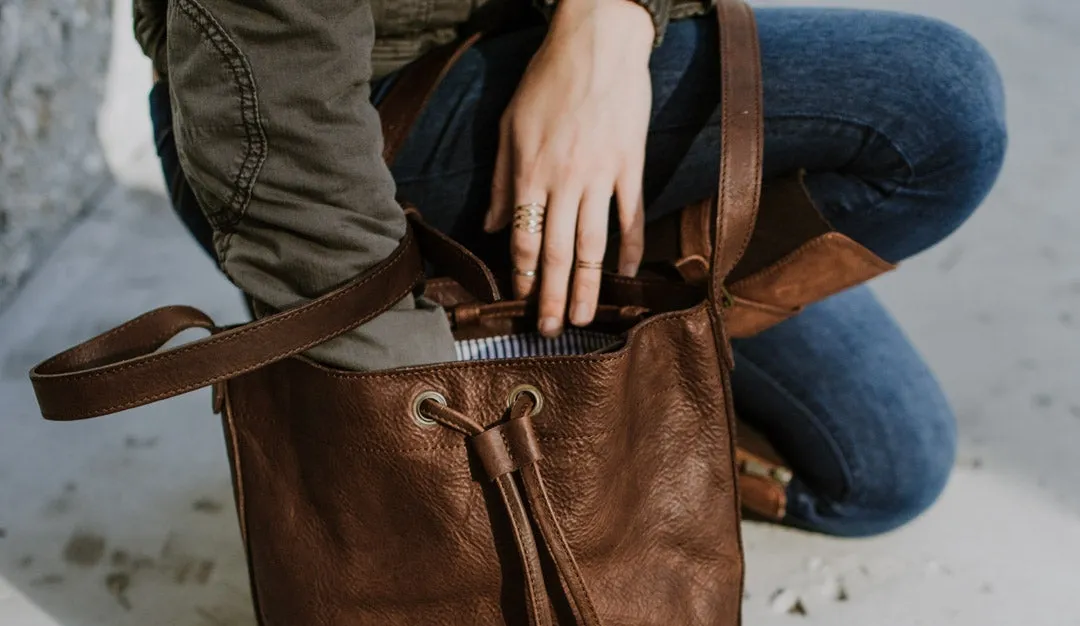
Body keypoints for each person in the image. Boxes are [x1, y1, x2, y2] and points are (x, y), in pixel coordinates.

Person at [137, 0, 1007, 537]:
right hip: (355, 117)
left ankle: (580, 319)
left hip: (547, 42)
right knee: (938, 98)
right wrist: (422, 448)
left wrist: (612, 23)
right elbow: (281, 141)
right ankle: (545, 327)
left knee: (883, 471)